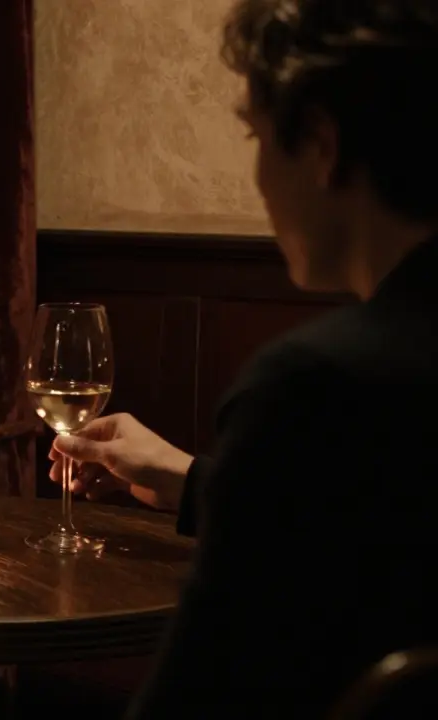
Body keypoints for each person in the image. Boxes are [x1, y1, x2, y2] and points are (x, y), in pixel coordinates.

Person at [47, 1, 438, 717]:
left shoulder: (316, 388)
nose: (258, 178)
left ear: (320, 145)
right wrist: (192, 479)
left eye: (257, 136)